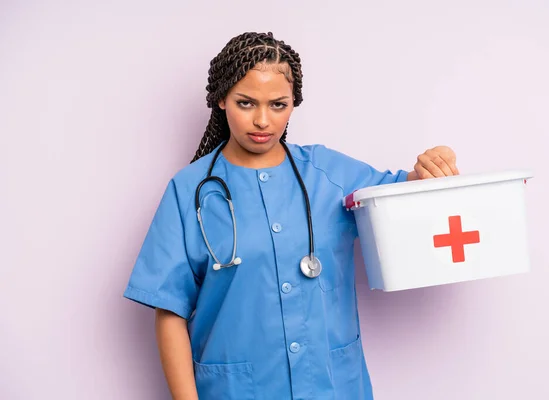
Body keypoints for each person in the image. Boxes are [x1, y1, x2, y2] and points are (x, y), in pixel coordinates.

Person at [123, 31, 459, 400]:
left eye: (278, 105)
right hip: (238, 391)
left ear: (294, 103)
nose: (263, 121)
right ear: (221, 99)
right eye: (246, 103)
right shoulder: (190, 191)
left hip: (333, 386)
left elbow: (400, 195)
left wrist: (432, 164)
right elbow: (170, 312)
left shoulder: (329, 173)